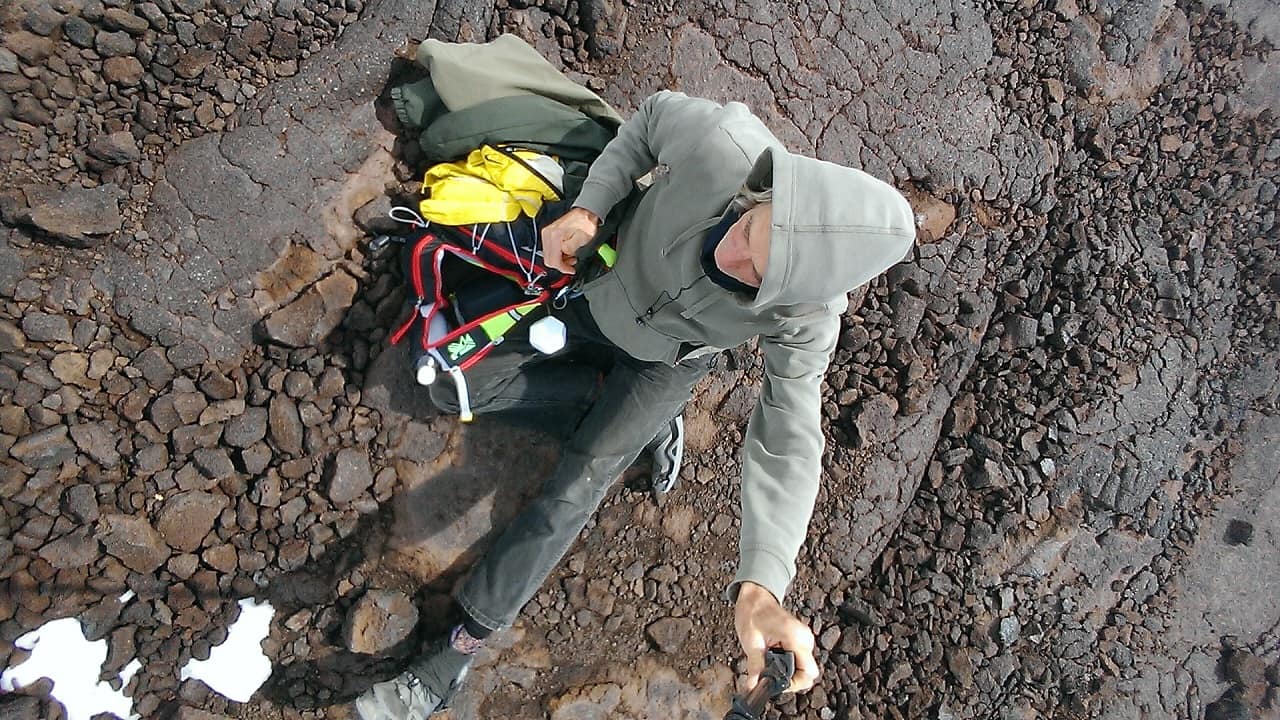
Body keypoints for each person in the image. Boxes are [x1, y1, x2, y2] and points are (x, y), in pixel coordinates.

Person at [356, 90, 916, 719]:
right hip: (593, 291)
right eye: (750, 231)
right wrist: (590, 212)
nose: (733, 258)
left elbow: (789, 435)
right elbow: (646, 121)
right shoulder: (720, 144)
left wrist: (762, 583)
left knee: (580, 481)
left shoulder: (809, 316)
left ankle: (454, 653)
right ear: (766, 193)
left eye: (758, 276)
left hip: (665, 363)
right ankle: (622, 419)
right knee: (446, 383)